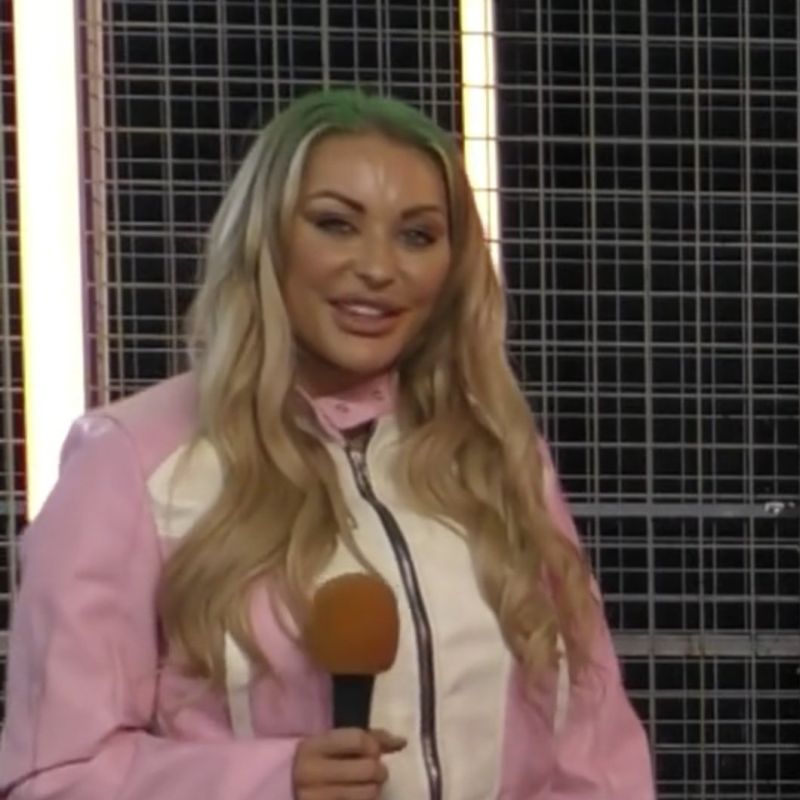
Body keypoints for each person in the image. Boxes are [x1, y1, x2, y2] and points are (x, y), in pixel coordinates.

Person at [0, 89, 655, 799]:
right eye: (336, 224)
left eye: (417, 236)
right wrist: (270, 782)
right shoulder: (131, 463)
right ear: (266, 238)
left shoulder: (496, 454)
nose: (378, 267)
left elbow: (596, 753)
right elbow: (56, 778)